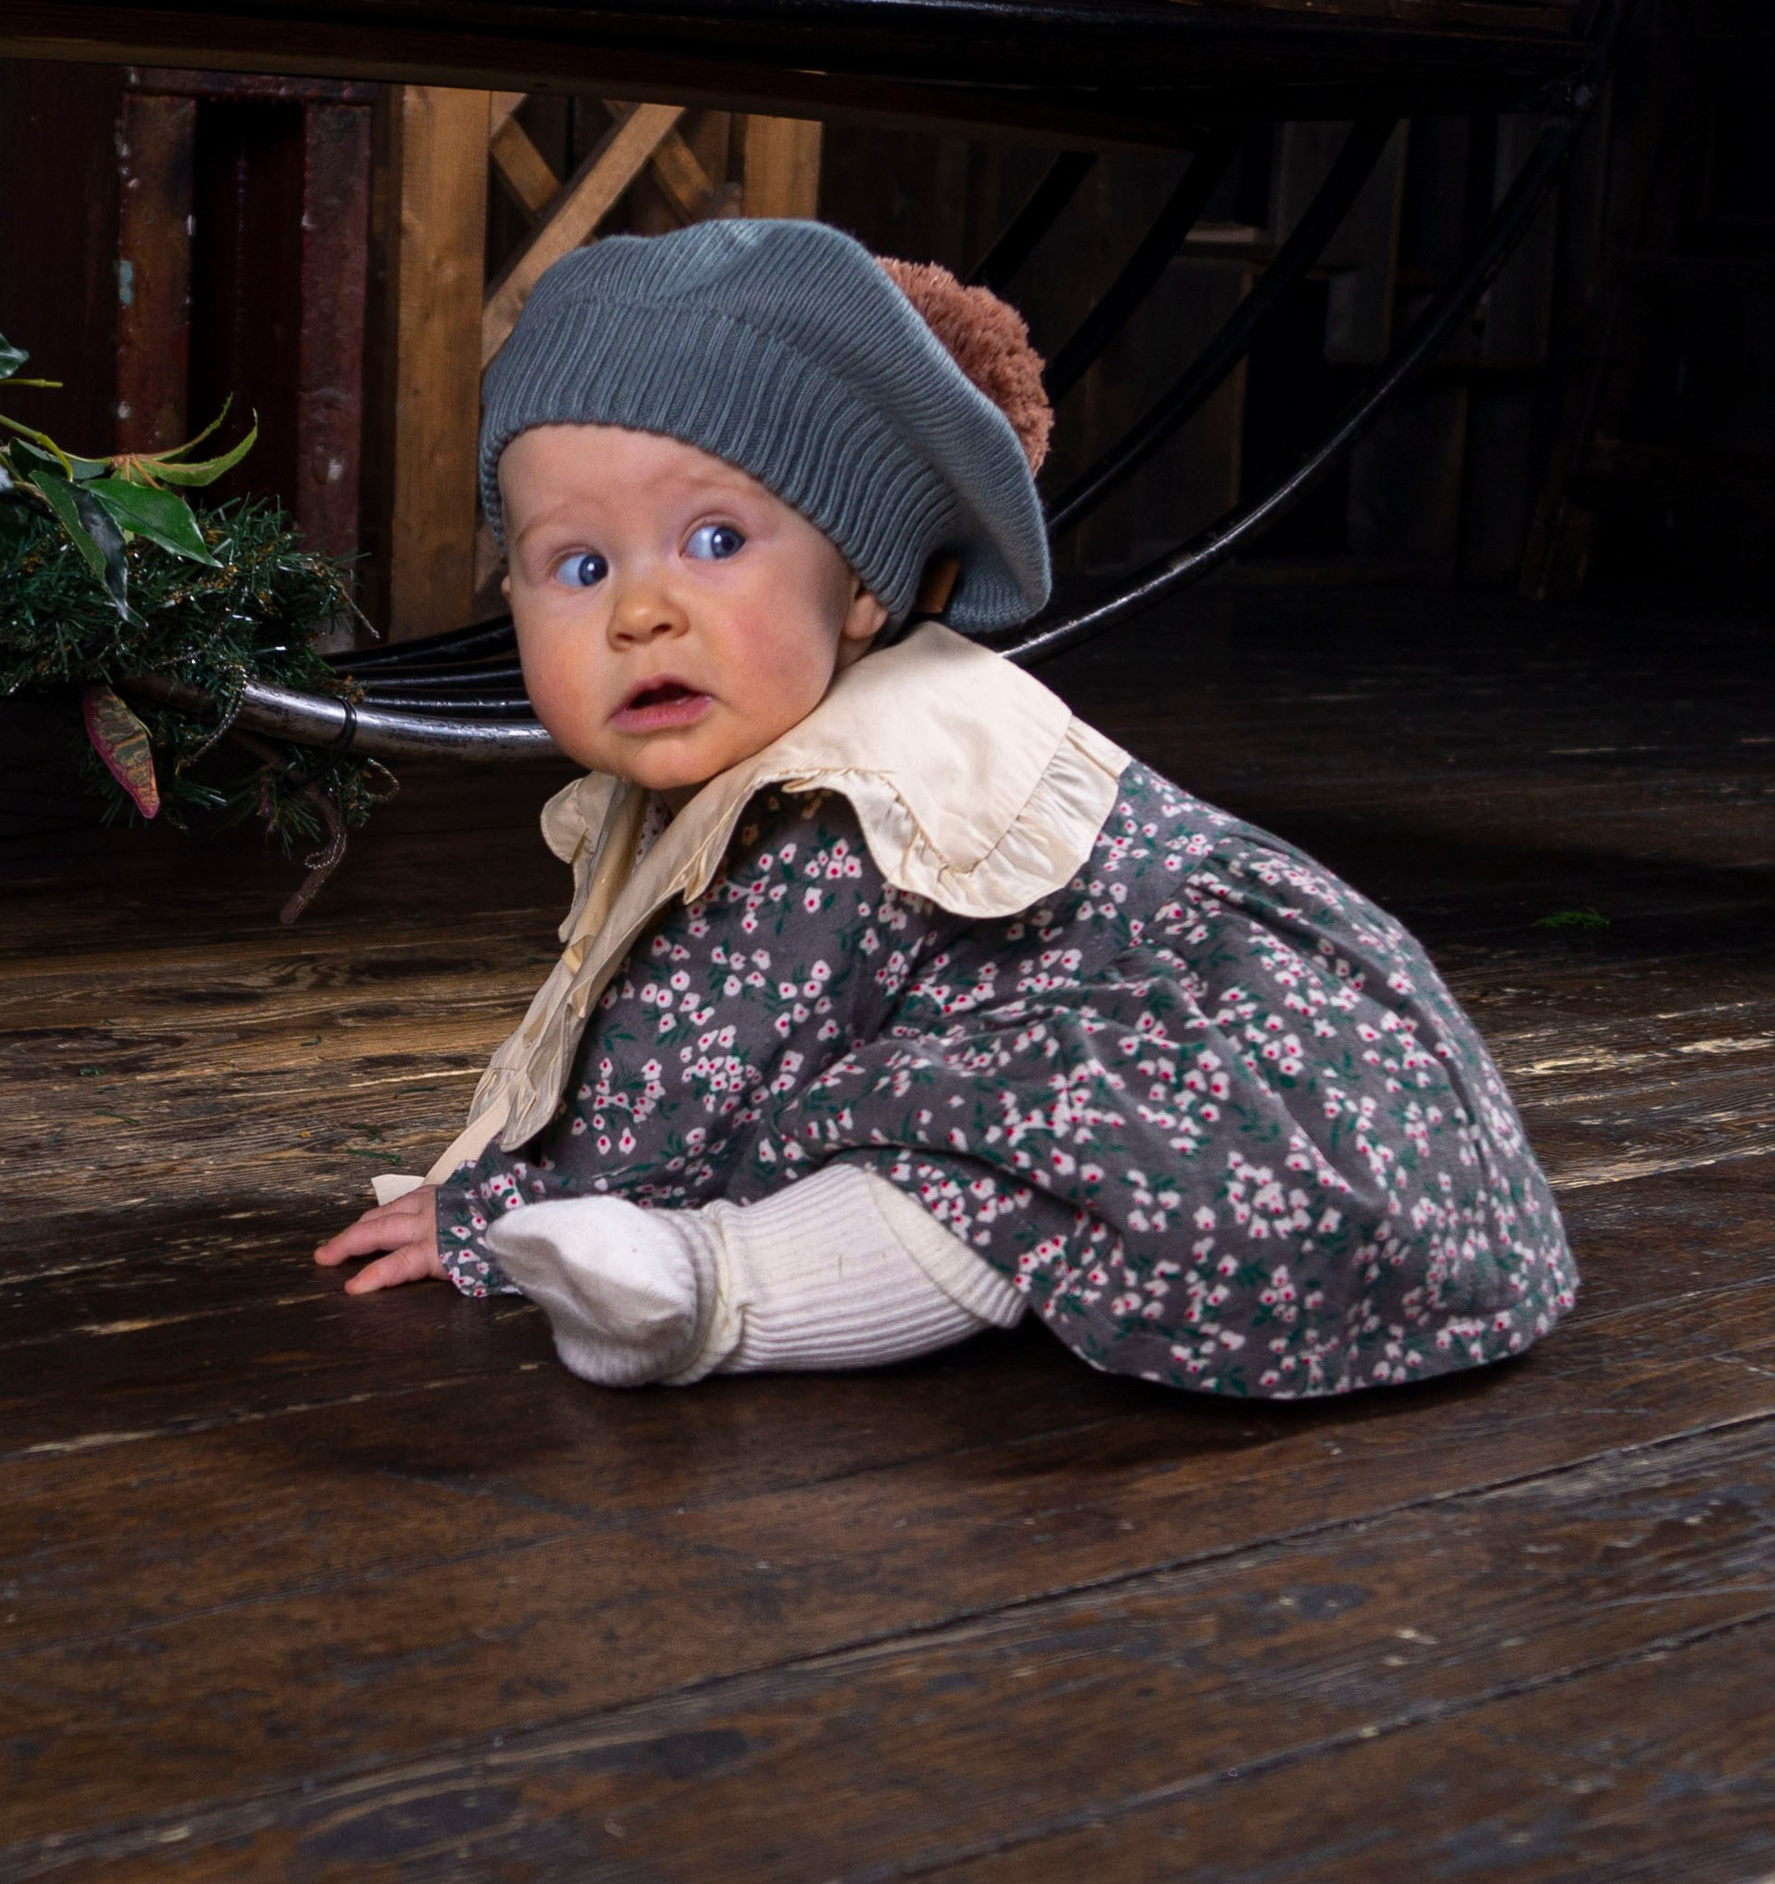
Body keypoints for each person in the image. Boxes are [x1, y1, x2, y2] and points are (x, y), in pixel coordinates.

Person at [314, 219, 1575, 1398]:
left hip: (1258, 1124)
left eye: (713, 541)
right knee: (950, 1136)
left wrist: (490, 1216)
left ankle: (712, 1297)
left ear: (862, 585)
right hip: (1348, 1117)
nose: (639, 610)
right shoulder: (797, 733)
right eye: (578, 566)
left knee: (960, 1179)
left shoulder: (837, 801)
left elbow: (681, 1093)